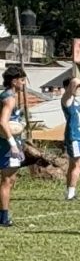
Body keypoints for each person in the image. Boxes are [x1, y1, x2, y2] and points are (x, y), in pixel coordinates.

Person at [0, 66, 27, 227]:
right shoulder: (9, 98)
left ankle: (4, 214)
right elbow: (3, 122)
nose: (23, 83)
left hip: (11, 142)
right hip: (7, 144)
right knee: (7, 180)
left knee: (11, 179)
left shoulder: (9, 95)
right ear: (14, 81)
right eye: (22, 80)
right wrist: (12, 144)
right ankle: (3, 218)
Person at [62, 77, 80, 200]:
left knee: (73, 164)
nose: (78, 88)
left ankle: (69, 191)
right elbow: (74, 82)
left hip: (79, 135)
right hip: (74, 137)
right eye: (76, 87)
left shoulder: (75, 100)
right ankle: (71, 194)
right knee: (78, 164)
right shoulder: (67, 99)